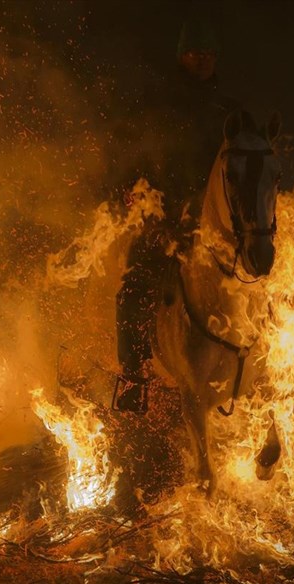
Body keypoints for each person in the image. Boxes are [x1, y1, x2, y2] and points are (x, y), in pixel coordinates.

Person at [114, 19, 240, 412]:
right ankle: (134, 376)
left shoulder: (228, 110)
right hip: (165, 216)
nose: (202, 59)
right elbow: (136, 156)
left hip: (215, 221)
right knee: (135, 286)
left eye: (209, 53)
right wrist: (149, 206)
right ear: (182, 56)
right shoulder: (160, 103)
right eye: (195, 52)